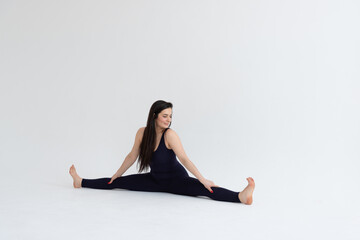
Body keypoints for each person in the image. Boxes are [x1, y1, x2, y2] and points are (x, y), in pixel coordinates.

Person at [69, 100, 255, 204]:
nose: (168, 120)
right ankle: (80, 181)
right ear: (154, 116)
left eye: (170, 116)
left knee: (206, 190)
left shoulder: (170, 135)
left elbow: (184, 159)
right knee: (116, 183)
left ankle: (240, 196)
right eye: (165, 116)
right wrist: (117, 174)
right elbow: (132, 156)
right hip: (154, 180)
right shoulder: (142, 133)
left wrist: (202, 179)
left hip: (177, 181)